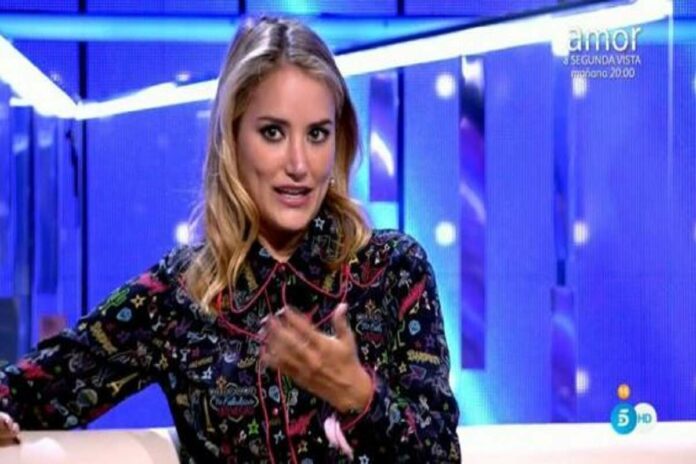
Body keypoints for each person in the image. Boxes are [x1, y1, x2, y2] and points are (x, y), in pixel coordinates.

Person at [0, 16, 461, 463]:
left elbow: (441, 453)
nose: (299, 164)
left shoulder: (393, 270)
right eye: (273, 133)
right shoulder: (179, 295)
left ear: (338, 140)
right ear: (232, 138)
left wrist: (357, 394)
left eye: (317, 134)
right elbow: (31, 388)